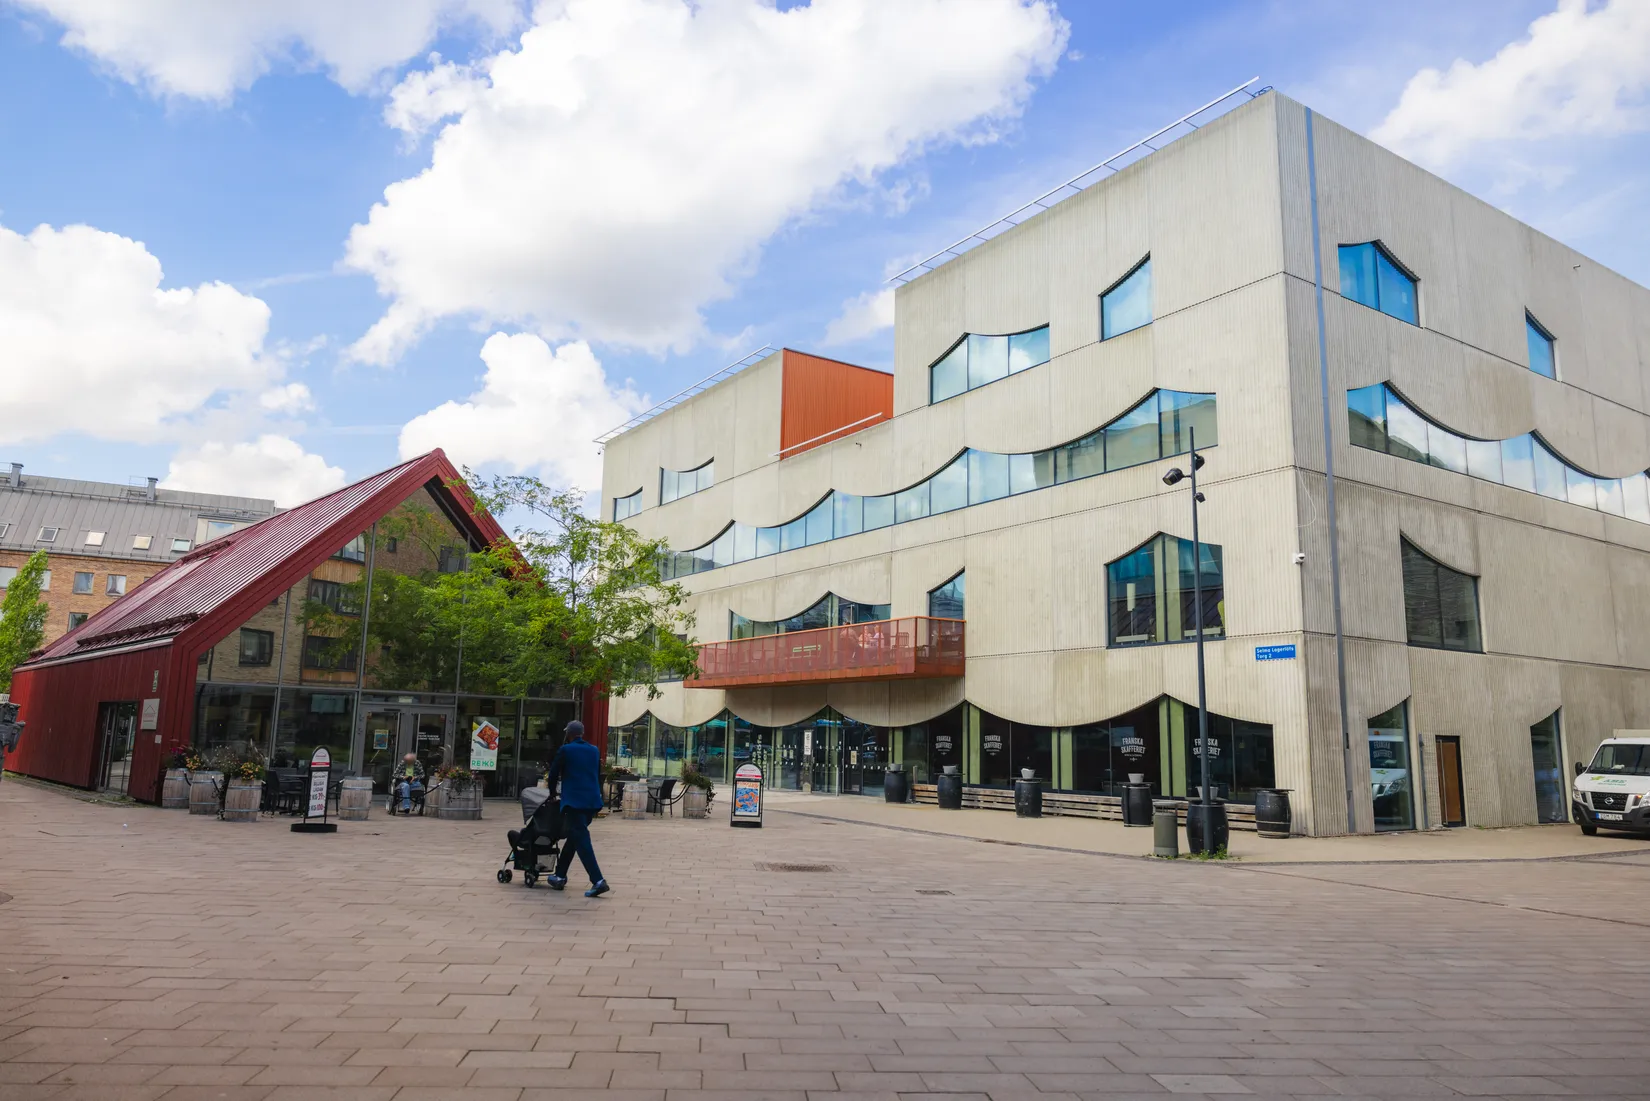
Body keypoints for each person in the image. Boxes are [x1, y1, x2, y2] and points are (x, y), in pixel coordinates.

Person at [544, 720, 609, 897]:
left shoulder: (566, 750)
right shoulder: (594, 750)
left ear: (569, 734)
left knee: (581, 840)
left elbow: (553, 774)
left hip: (574, 802)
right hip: (592, 802)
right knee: (574, 836)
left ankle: (598, 880)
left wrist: (551, 793)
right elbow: (596, 774)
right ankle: (559, 875)